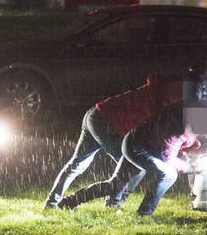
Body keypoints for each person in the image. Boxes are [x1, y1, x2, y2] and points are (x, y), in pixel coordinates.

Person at [45, 76, 181, 209]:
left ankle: (51, 203)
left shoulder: (158, 92)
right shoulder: (165, 101)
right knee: (133, 166)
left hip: (95, 114)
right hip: (107, 124)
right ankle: (112, 205)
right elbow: (165, 132)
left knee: (77, 164)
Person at [122, 102, 201, 215]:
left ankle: (114, 203)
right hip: (136, 146)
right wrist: (189, 167)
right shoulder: (181, 128)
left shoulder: (193, 118)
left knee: (119, 180)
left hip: (142, 142)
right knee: (169, 174)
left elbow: (179, 140)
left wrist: (191, 148)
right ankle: (144, 213)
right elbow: (168, 158)